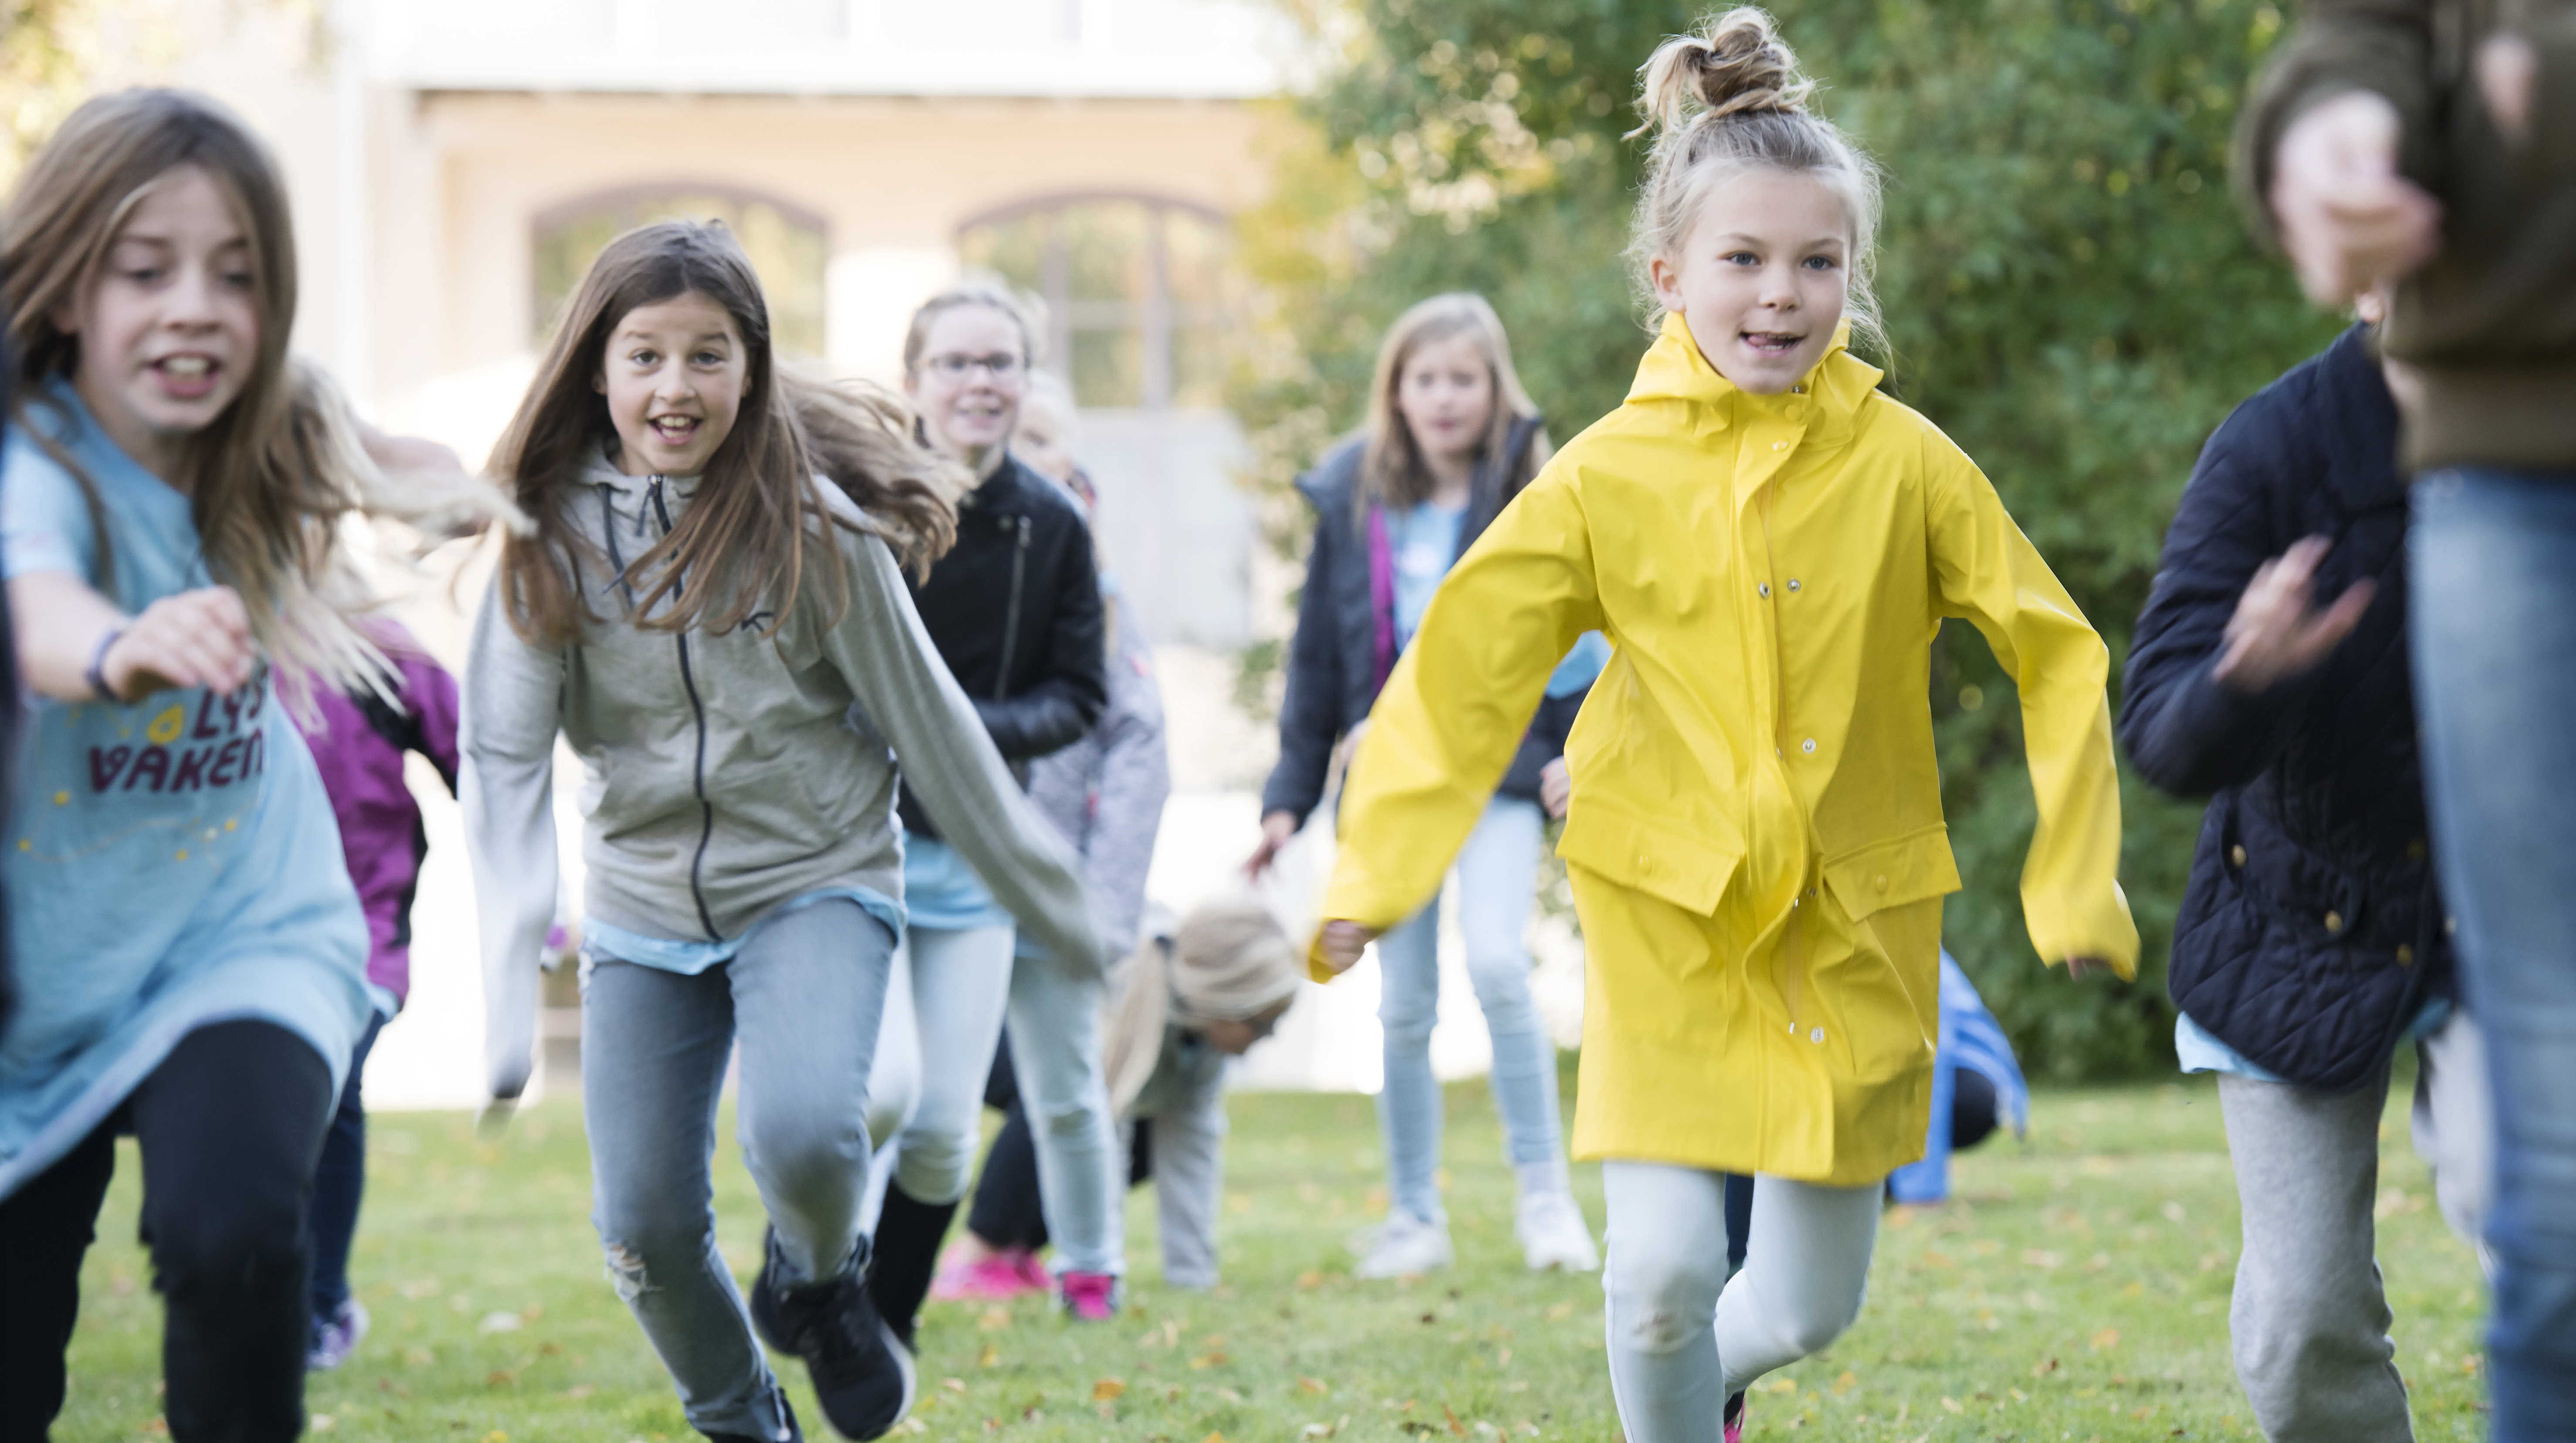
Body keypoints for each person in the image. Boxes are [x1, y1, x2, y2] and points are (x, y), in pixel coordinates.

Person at [1307, 14, 2135, 1442]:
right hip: (1667, 916)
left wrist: (2070, 879)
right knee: (1660, 1281)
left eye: (1817, 262)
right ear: (1669, 275)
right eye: (1742, 259)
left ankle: (1698, 1392)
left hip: (1856, 928)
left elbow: (2056, 650)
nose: (1780, 294)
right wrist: (1375, 876)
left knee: (1806, 1309)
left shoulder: (1910, 465)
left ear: (1851, 276)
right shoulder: (1601, 475)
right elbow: (1459, 672)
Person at [463, 221, 1105, 1443]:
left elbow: (933, 726)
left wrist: (1050, 898)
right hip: (645, 903)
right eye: (645, 355)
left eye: (708, 355)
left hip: (815, 876)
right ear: (596, 368)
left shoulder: (813, 531)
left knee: (808, 1130)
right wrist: (505, 978)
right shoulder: (547, 537)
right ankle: (744, 1419)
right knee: (642, 1230)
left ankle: (817, 1281)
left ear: (751, 369)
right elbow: (500, 758)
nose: (675, 386)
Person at [0, 89, 474, 1443]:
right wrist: (122, 651)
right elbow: (39, 609)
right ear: (67, 286)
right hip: (38, 974)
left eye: (237, 275)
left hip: (242, 934)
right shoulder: (33, 457)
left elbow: (405, 468)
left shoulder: (271, 427)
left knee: (234, 1236)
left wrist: (467, 493)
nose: (196, 309)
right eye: (146, 272)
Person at [2243, 7, 2576, 1429]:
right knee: (2537, 1178)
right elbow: (2171, 725)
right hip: (2522, 450)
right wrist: (2329, 123)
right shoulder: (2278, 444)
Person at [2119, 309, 2491, 1443]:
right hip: (2299, 921)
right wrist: (2245, 674)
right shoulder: (2275, 444)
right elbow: (2161, 735)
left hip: (2512, 920)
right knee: (2295, 1334)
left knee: (2533, 1216)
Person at [1245, 291, 1601, 1279]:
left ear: (1494, 390)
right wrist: (1286, 798)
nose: (1444, 398)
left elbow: (1578, 631)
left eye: (1462, 379)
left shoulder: (1534, 495)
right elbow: (1316, 659)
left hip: (1498, 772)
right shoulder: (1352, 500)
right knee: (1402, 1002)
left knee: (1499, 966)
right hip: (1387, 786)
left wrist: (1582, 748)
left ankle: (1545, 1204)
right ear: (1395, 391)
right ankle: (1413, 1217)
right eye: (1425, 379)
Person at [868, 282, 1123, 1338]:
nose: (979, 383)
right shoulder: (860, 506)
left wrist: (963, 732)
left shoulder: (1052, 525)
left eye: (999, 363)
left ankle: (1080, 1269)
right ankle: (839, 1289)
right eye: (955, 363)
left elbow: (1082, 695)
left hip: (984, 846)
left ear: (1025, 379)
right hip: (860, 843)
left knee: (947, 1113)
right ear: (913, 381)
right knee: (871, 1097)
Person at [934, 370, 1171, 1303]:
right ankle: (878, 1270)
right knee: (926, 1087)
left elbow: (1139, 750)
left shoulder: (1094, 592)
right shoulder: (923, 557)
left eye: (1040, 440)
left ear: (1071, 465)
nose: (1020, 456)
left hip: (1054, 883)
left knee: (1071, 1080)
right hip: (941, 871)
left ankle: (1079, 1265)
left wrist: (1103, 908)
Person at [958, 899, 1302, 1293]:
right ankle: (976, 1255)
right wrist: (1100, 1266)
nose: (1268, 1036)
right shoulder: (1127, 985)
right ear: (1227, 1002)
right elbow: (1107, 1131)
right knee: (1061, 1100)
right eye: (1263, 1023)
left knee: (1145, 1139)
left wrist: (1193, 1277)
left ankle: (1019, 1251)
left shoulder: (1208, 1042)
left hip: (1075, 1070)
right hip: (994, 1033)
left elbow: (1191, 1145)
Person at [291, 617, 462, 1371]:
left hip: (364, 929)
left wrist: (539, 905)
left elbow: (487, 767)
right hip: (233, 934)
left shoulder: (380, 647)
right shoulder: (210, 631)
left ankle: (321, 1305)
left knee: (333, 1083)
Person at [1883, 952, 2031, 1209]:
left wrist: (1921, 1192)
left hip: (1964, 1077)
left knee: (1970, 1099)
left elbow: (1930, 1060)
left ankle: (1898, 1179)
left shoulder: (1907, 951)